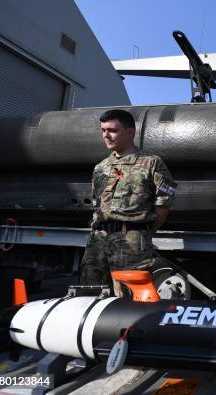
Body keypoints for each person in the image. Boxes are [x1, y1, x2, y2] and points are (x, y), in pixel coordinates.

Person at [79, 109, 177, 294]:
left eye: (112, 130)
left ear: (130, 132)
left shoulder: (152, 163)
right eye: (103, 130)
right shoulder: (100, 167)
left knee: (127, 301)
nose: (106, 135)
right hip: (97, 241)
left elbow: (163, 204)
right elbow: (97, 205)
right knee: (88, 294)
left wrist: (142, 233)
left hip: (131, 243)